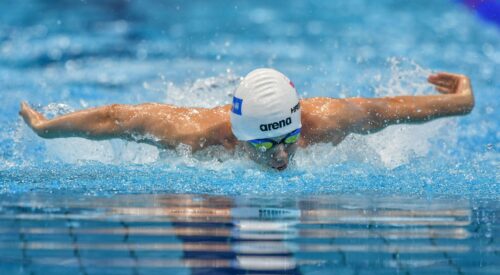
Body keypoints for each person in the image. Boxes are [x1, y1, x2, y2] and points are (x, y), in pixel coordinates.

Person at [20, 68, 474, 171]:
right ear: (238, 135)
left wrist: (462, 102)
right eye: (263, 145)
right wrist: (46, 128)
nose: (281, 157)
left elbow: (392, 109)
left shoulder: (328, 120)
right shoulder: (196, 134)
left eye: (289, 139)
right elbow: (116, 118)